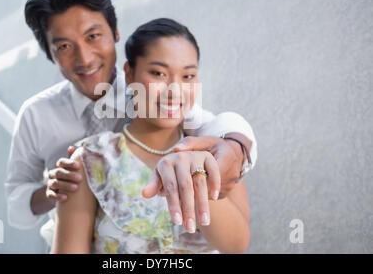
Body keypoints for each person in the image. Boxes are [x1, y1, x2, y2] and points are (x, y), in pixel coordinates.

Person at [5, 0, 257, 249]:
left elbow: (217, 124)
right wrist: (52, 190)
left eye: (93, 36)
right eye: (64, 46)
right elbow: (16, 199)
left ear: (114, 33)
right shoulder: (37, 115)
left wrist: (235, 146)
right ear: (50, 54)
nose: (85, 58)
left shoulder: (153, 96)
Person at [52, 18, 250, 254]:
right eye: (158, 73)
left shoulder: (215, 150)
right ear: (130, 73)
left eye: (187, 76)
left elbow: (237, 247)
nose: (174, 91)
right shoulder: (92, 161)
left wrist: (200, 177)